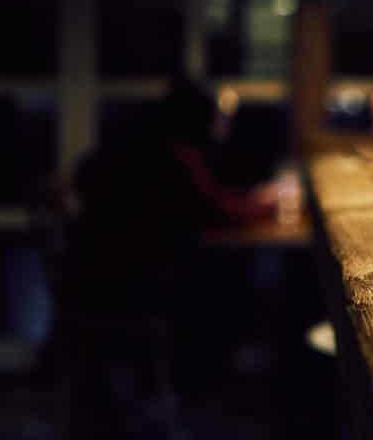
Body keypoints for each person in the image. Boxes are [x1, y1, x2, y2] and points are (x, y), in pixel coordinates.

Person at [66, 78, 278, 439]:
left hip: (98, 273)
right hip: (130, 284)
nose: (220, 125)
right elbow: (214, 209)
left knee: (220, 284)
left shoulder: (138, 145)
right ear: (198, 119)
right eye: (215, 116)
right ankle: (204, 398)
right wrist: (265, 204)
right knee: (223, 294)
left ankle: (187, 393)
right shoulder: (175, 157)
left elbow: (82, 176)